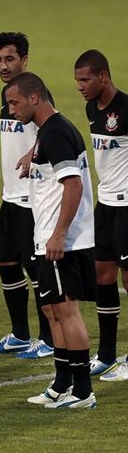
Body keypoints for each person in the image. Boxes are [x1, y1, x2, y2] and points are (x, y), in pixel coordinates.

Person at [7, 72, 97, 409]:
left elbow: (73, 185)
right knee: (51, 310)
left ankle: (84, 391)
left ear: (34, 98)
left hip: (63, 241)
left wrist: (58, 234)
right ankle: (61, 384)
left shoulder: (57, 133)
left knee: (66, 311)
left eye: (14, 102)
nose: (11, 110)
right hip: (47, 237)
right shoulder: (49, 133)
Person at [0, 32, 54, 358]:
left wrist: (33, 153)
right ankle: (20, 334)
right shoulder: (7, 93)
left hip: (33, 198)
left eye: (9, 59)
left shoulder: (36, 94)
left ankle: (48, 338)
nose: (3, 66)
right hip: (10, 195)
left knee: (35, 268)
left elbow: (55, 130)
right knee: (5, 261)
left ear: (24, 59)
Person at [74, 49, 128, 381]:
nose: (80, 86)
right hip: (105, 204)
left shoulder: (127, 108)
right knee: (102, 275)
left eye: (85, 79)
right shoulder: (92, 108)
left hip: (127, 206)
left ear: (103, 77)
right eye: (77, 80)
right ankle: (107, 354)